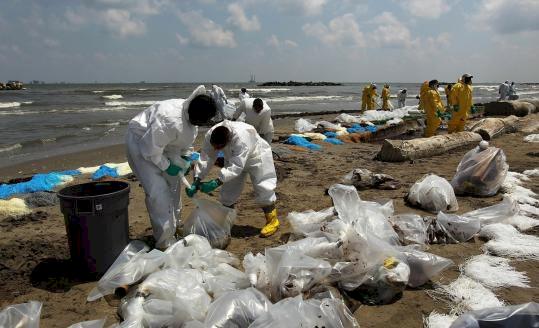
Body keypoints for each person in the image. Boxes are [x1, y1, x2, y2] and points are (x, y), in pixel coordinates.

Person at [126, 85, 217, 249]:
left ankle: (175, 225)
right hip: (142, 142)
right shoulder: (169, 119)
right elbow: (150, 150)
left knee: (174, 186)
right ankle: (164, 241)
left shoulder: (191, 119)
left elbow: (186, 143)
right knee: (158, 191)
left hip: (164, 144)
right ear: (194, 115)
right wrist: (167, 166)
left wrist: (186, 161)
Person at [188, 121, 279, 237]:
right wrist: (197, 178)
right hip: (233, 158)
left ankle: (272, 221)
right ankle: (225, 223)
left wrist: (216, 182)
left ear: (228, 140)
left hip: (256, 156)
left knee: (263, 187)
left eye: (219, 148)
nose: (216, 150)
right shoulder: (211, 134)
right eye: (214, 147)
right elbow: (206, 157)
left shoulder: (241, 138)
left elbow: (237, 166)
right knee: (228, 192)